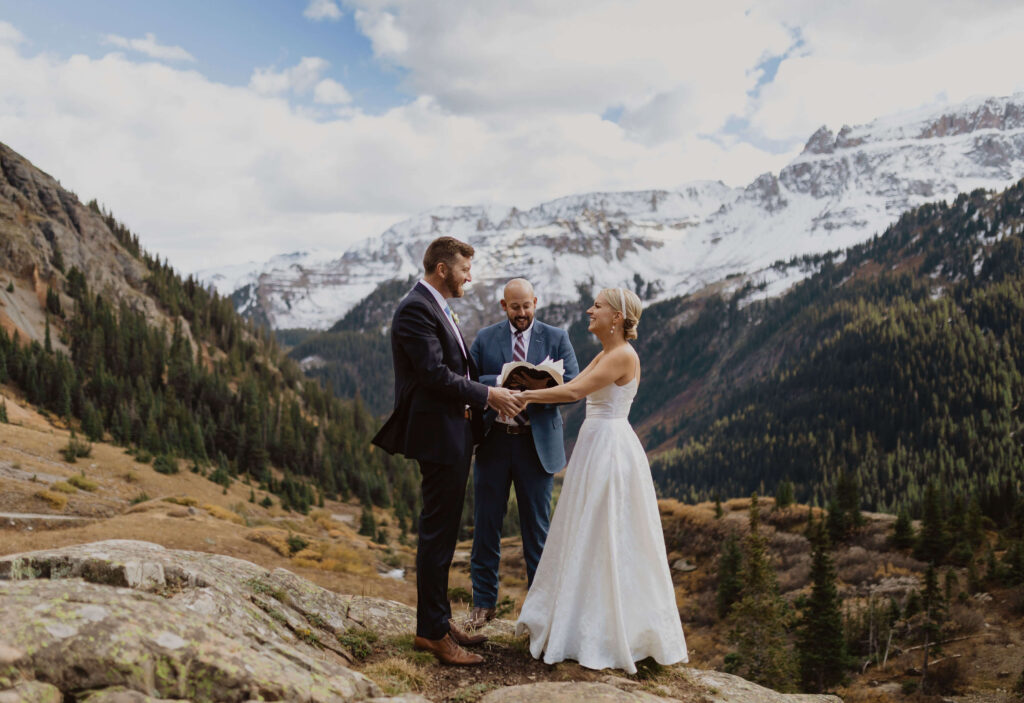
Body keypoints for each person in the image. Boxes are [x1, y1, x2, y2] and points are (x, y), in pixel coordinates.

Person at [512, 287, 688, 674]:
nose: (590, 310)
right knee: (588, 530)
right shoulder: (608, 353)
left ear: (617, 318)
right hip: (596, 444)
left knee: (607, 530)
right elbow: (570, 383)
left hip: (609, 447)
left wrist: (523, 395)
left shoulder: (622, 355)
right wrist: (535, 382)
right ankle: (580, 619)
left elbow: (574, 392)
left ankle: (606, 630)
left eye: (598, 306)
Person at [372, 236, 521, 666]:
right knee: (437, 534)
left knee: (443, 531)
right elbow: (435, 374)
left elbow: (454, 366)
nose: (469, 277)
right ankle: (431, 634)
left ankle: (436, 621)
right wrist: (488, 396)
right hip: (438, 436)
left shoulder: (431, 303)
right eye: (464, 269)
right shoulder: (416, 308)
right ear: (442, 269)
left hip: (451, 432)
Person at [467, 278, 580, 628]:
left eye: (526, 306)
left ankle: (539, 614)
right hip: (494, 442)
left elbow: (574, 386)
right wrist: (500, 382)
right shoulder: (485, 338)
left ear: (535, 302)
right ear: (504, 306)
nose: (521, 314)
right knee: (486, 527)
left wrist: (537, 388)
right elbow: (466, 381)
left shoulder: (557, 337)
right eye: (514, 308)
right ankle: (483, 605)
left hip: (537, 445)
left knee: (538, 532)